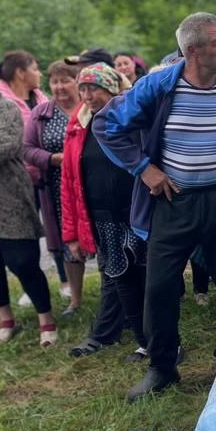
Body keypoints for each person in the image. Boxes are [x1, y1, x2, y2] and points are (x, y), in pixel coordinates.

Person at [94, 11, 216, 401]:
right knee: (160, 286)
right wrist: (143, 169)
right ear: (192, 49)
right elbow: (106, 126)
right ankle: (162, 367)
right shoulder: (158, 87)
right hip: (173, 201)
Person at [62, 64, 147, 361]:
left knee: (144, 276)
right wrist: (71, 232)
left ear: (111, 89)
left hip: (134, 212)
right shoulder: (79, 124)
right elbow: (70, 181)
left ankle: (153, 341)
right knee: (117, 276)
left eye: (93, 88)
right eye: (82, 88)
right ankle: (123, 335)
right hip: (102, 216)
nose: (86, 95)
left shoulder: (130, 118)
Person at [0, 56, 57, 347]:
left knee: (22, 261)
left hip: (9, 200)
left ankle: (46, 319)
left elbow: (5, 148)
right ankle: (5, 318)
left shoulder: (5, 108)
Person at [24, 61, 84, 316]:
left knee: (99, 238)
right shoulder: (40, 113)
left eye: (65, 80)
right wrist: (51, 159)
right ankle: (76, 300)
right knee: (68, 241)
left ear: (77, 81)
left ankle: (114, 296)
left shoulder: (88, 107)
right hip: (58, 189)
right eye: (54, 81)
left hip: (91, 185)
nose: (59, 87)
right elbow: (27, 148)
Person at [0, 50, 49, 186]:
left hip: (46, 175)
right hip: (13, 182)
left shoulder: (42, 100)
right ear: (21, 73)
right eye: (35, 69)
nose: (40, 74)